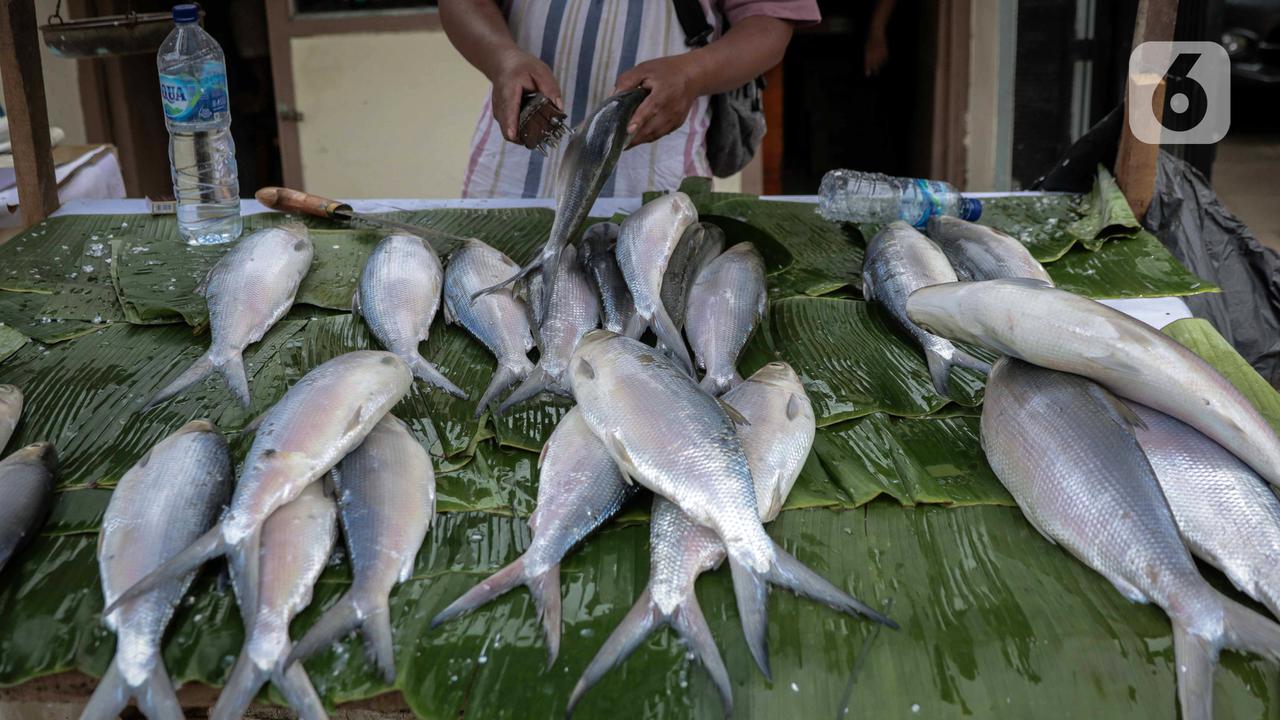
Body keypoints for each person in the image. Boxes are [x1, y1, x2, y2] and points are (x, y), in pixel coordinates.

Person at [439, 0, 820, 199]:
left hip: (656, 172)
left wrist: (691, 74)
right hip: (516, 165)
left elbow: (769, 23)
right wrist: (502, 59)